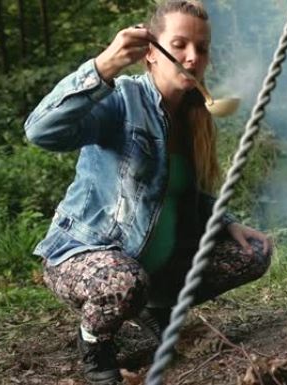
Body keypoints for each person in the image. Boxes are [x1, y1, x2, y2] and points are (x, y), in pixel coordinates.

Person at [24, 1, 272, 384]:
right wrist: (103, 66)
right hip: (86, 256)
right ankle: (95, 345)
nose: (192, 57)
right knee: (124, 282)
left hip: (155, 264)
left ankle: (155, 307)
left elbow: (178, 194)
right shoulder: (121, 100)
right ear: (151, 54)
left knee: (253, 254)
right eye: (180, 44)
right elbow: (40, 131)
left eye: (201, 48)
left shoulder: (195, 115)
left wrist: (225, 222)